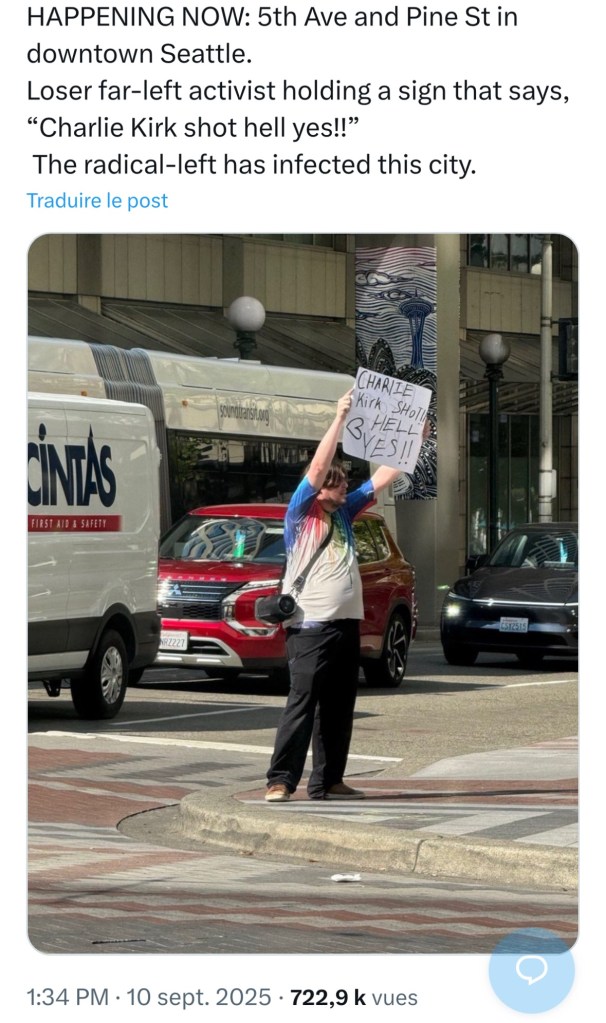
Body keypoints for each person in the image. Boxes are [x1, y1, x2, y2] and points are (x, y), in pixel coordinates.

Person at [265, 388, 409, 803]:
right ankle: (280, 779)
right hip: (310, 626)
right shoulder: (301, 512)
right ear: (321, 490)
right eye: (339, 483)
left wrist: (412, 437)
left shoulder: (343, 512)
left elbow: (382, 476)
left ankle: (328, 780)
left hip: (346, 624)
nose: (347, 487)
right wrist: (340, 418)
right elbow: (317, 466)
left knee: (339, 704)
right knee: (302, 702)